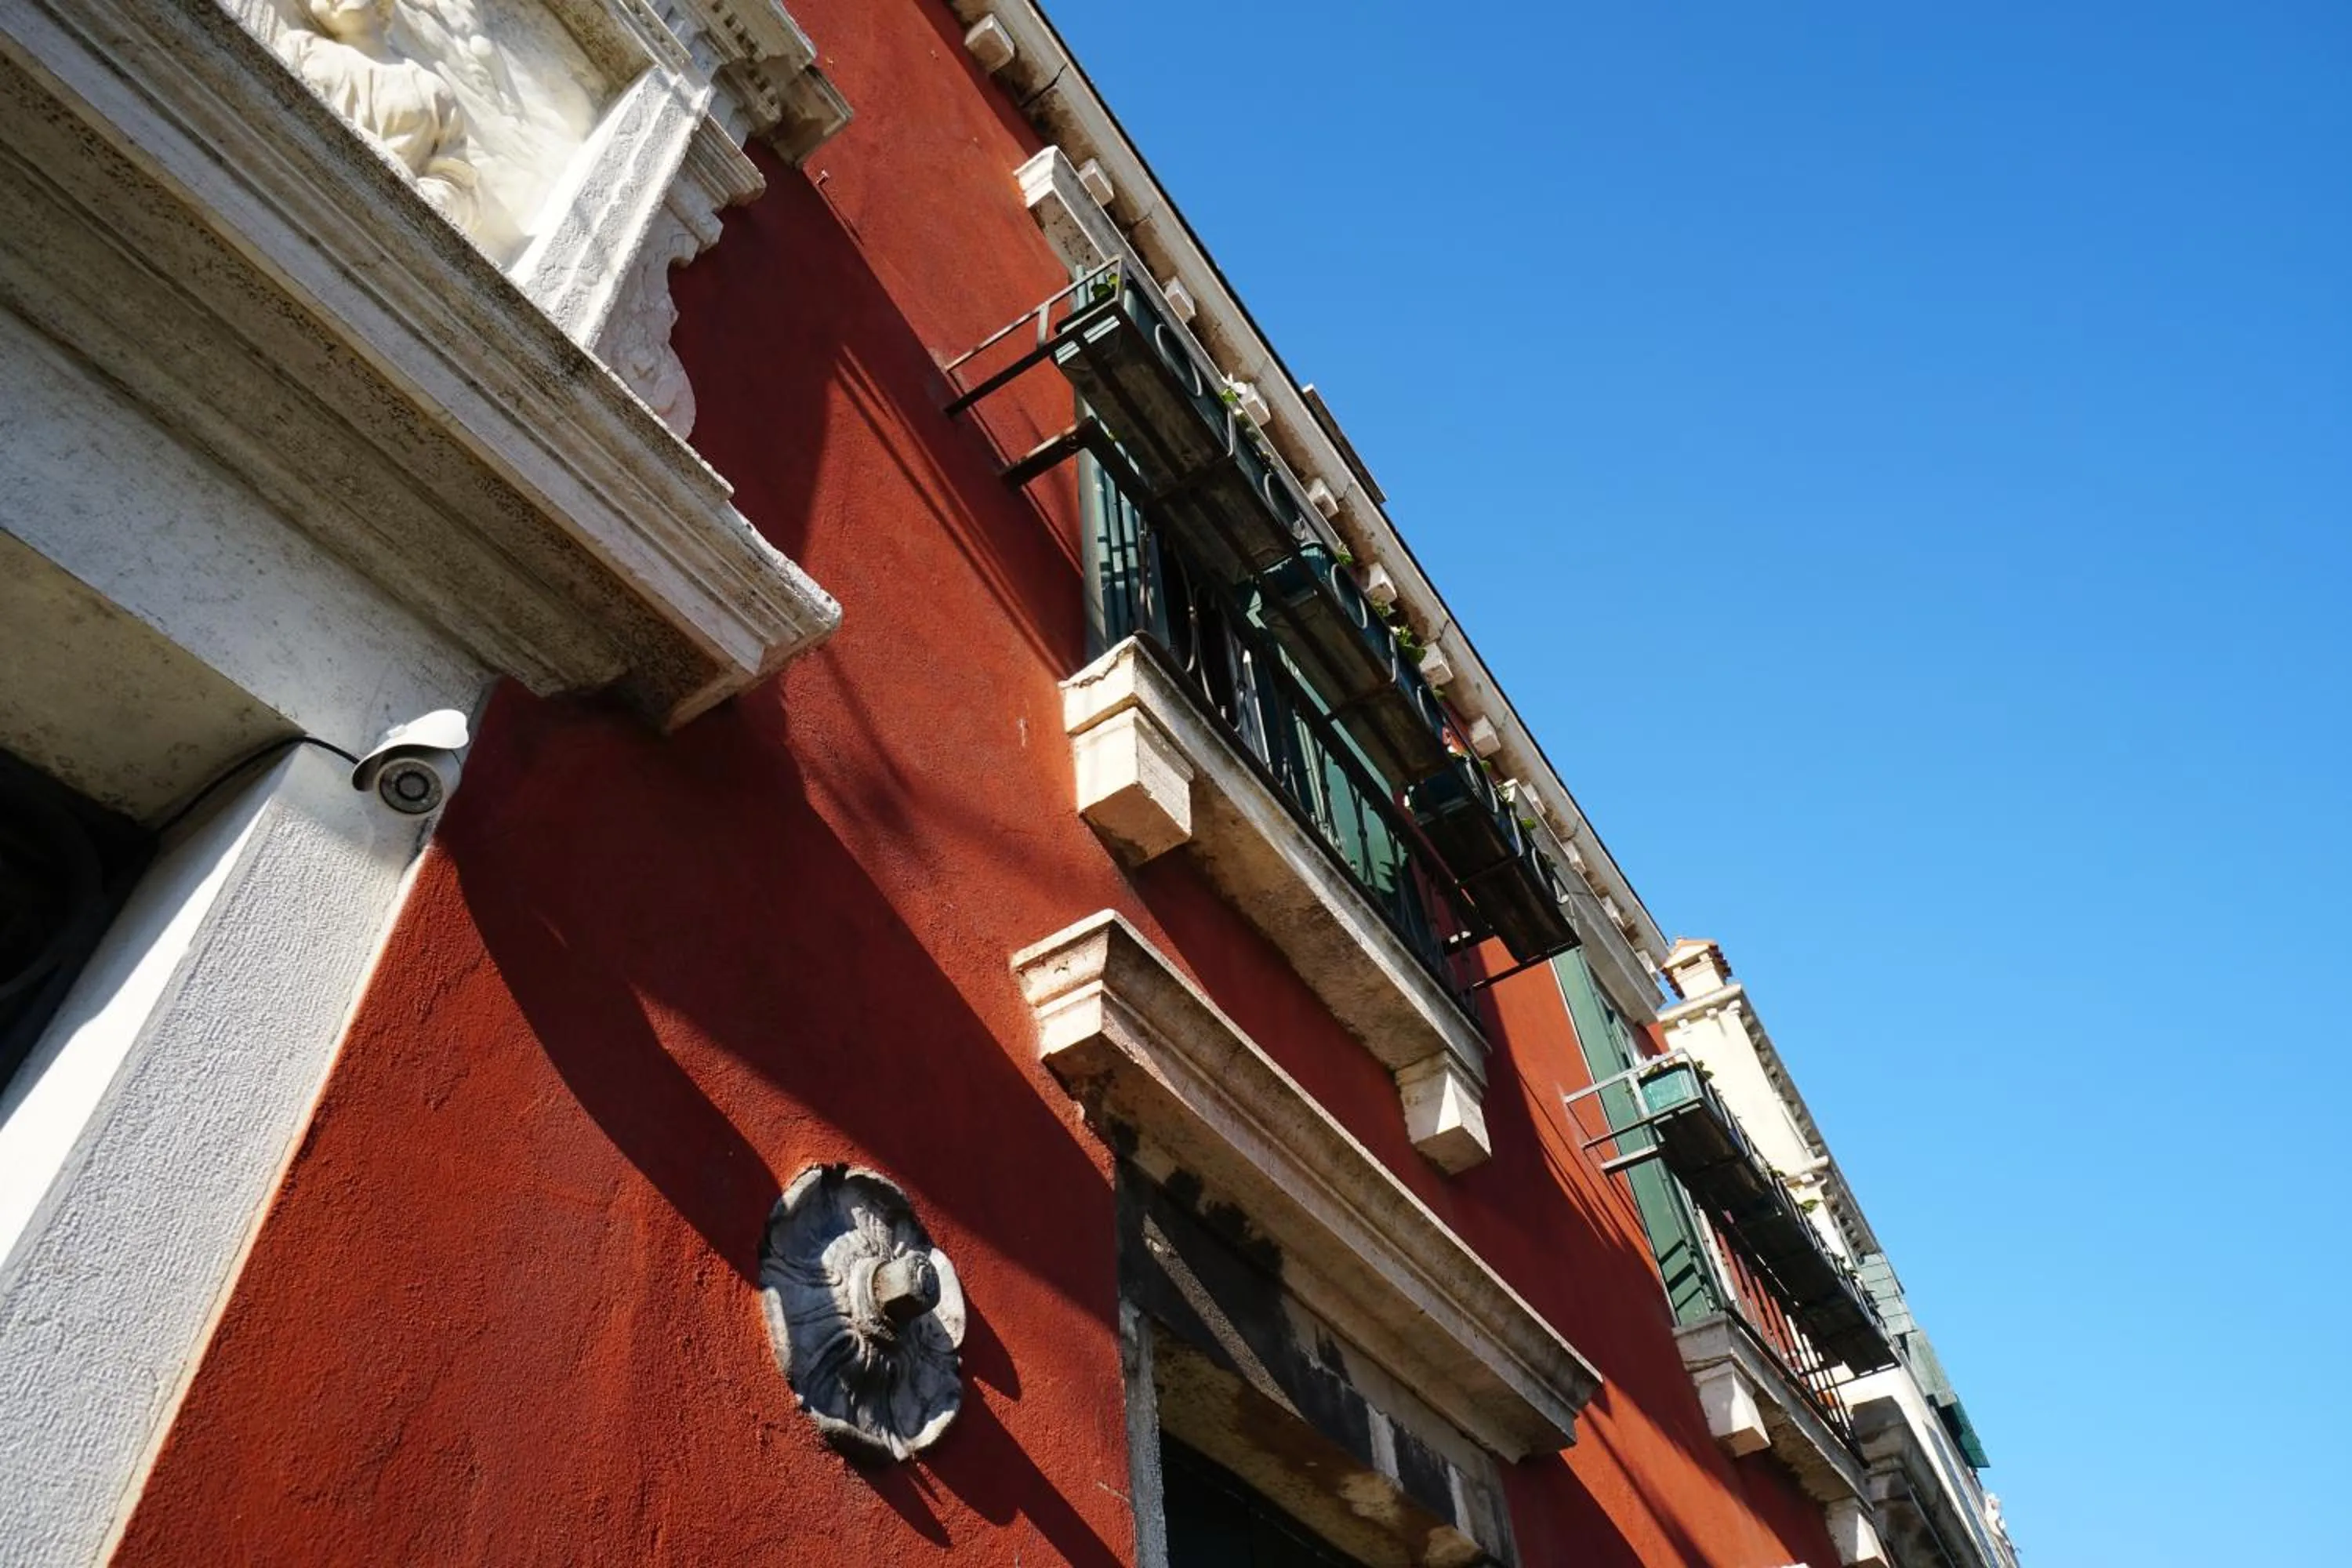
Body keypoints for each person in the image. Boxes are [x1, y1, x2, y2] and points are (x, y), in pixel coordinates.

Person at [279, 0, 479, 234]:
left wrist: (414, 199)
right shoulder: (303, 49)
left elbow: (458, 184)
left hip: (388, 227)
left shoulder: (431, 90)